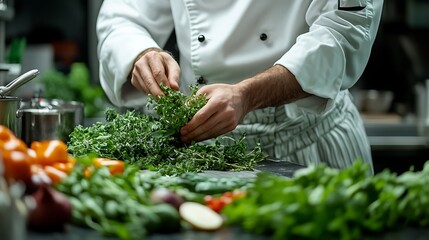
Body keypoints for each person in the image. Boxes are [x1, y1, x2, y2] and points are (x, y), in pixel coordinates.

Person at [96, 0, 384, 174]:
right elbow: (123, 15)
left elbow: (345, 28)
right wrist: (140, 52)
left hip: (309, 143)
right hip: (202, 151)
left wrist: (247, 95)